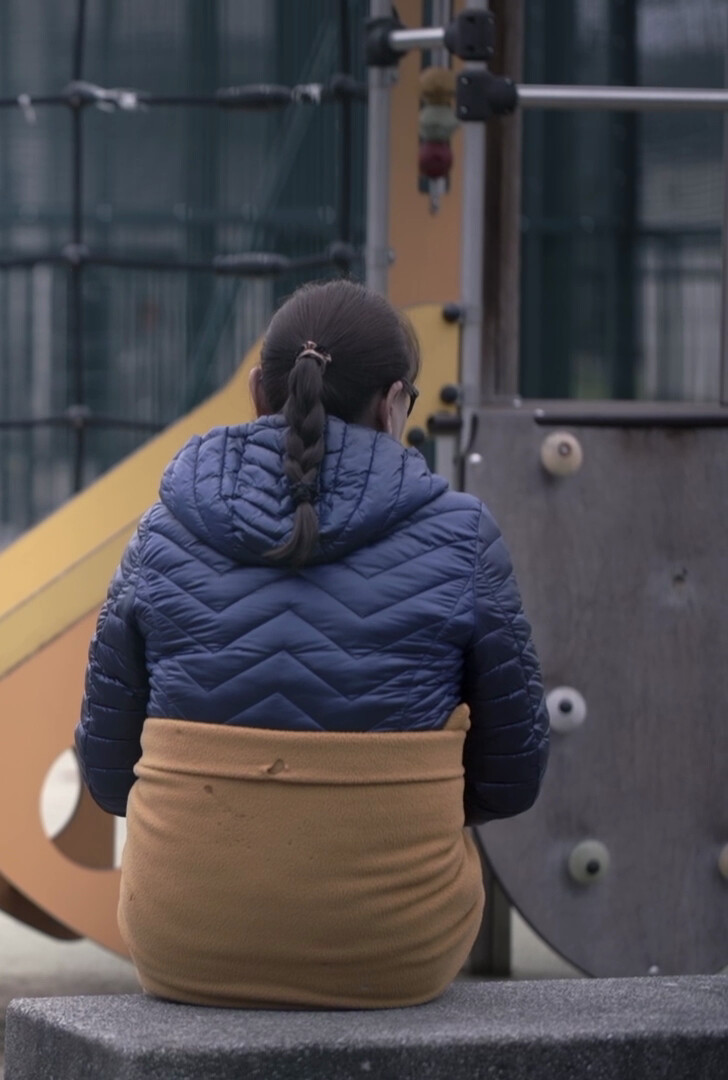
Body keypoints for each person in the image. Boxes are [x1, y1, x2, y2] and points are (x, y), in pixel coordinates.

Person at [75, 279, 548, 1009]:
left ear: (260, 392)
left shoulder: (162, 531)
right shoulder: (462, 537)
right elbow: (514, 775)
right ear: (394, 404)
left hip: (184, 943)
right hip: (397, 951)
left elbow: (107, 774)